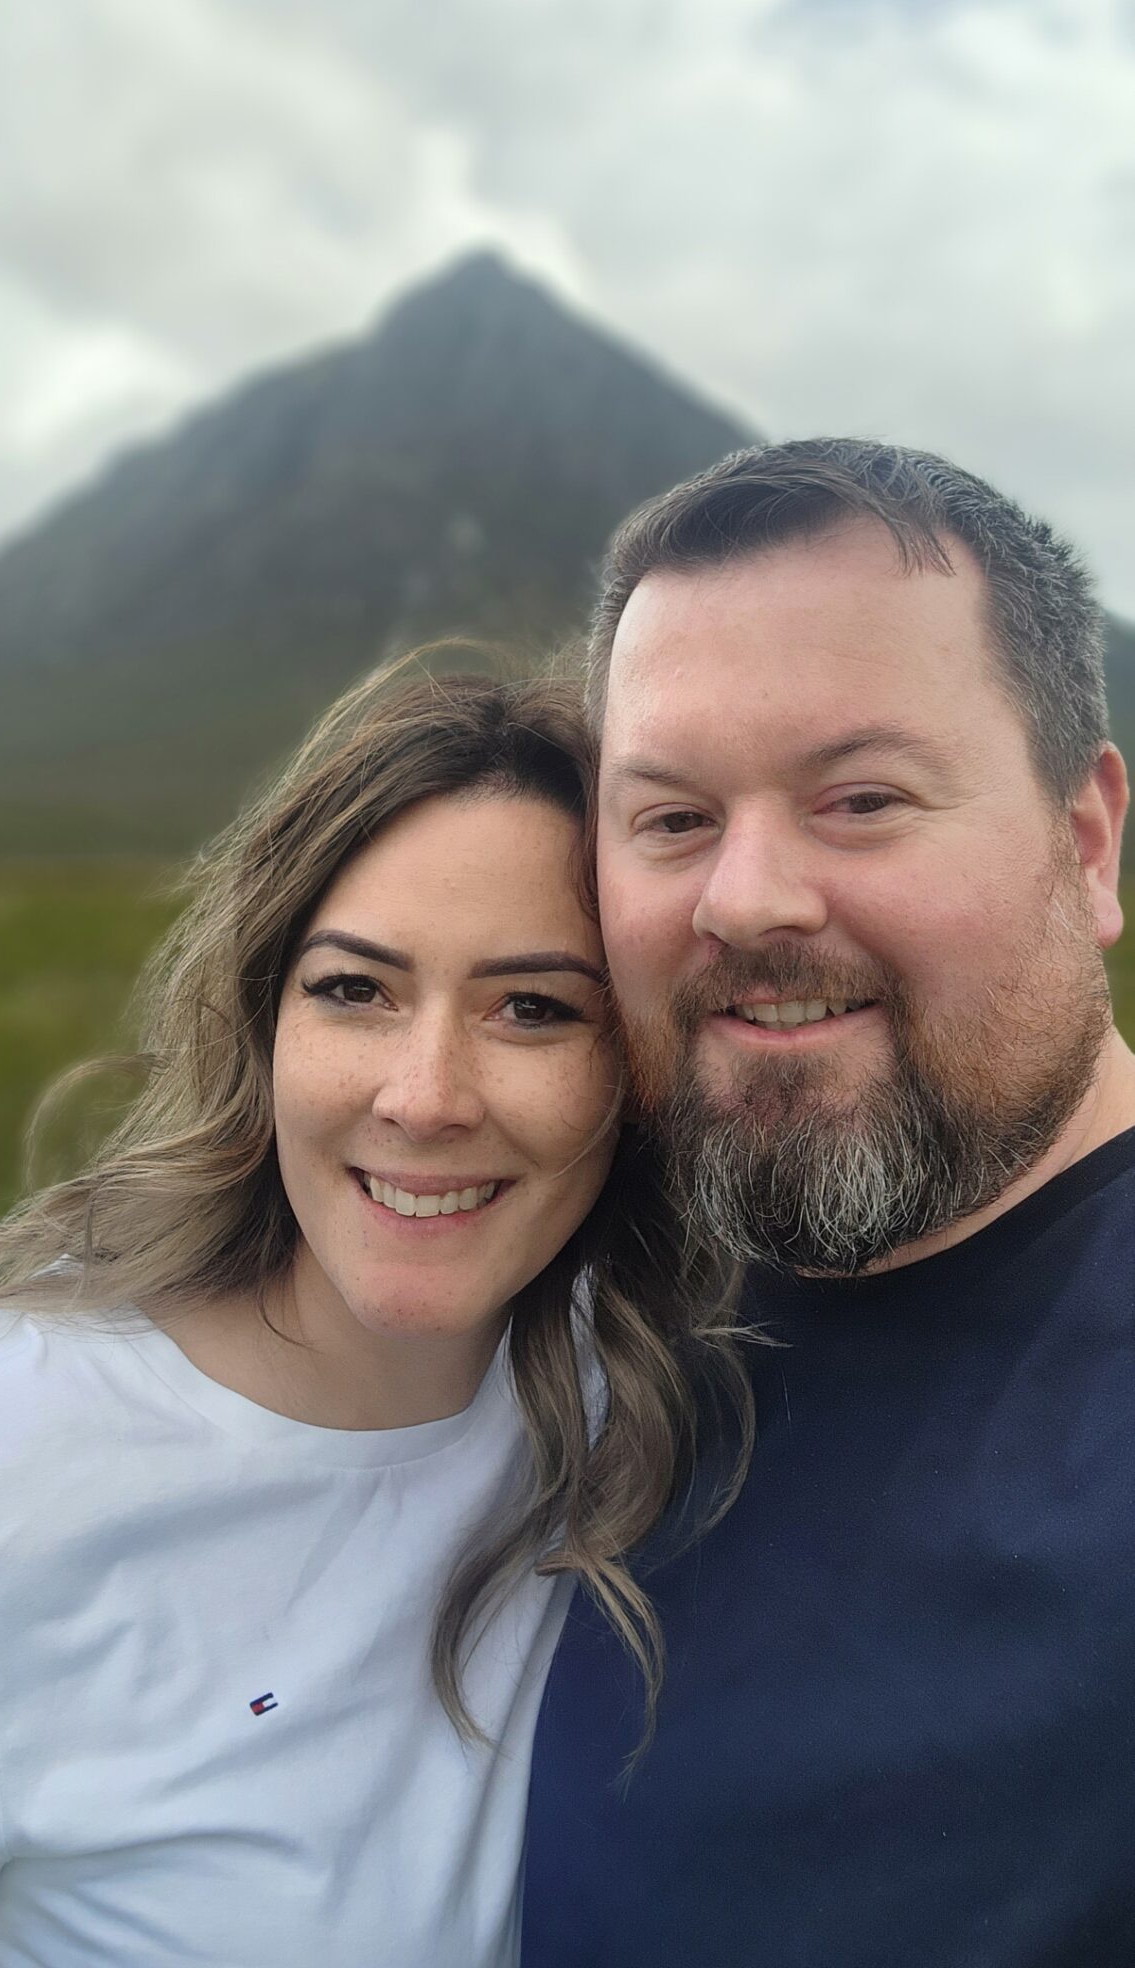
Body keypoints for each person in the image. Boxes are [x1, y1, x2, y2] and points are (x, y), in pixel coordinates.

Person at [0, 664, 739, 1968]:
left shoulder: (646, 1420)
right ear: (263, 1022)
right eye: (355, 990)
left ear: (637, 1072)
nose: (424, 1097)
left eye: (534, 1008)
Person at [523, 439, 1135, 1968]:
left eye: (860, 799)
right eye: (671, 821)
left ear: (1086, 839)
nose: (747, 901)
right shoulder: (567, 1308)